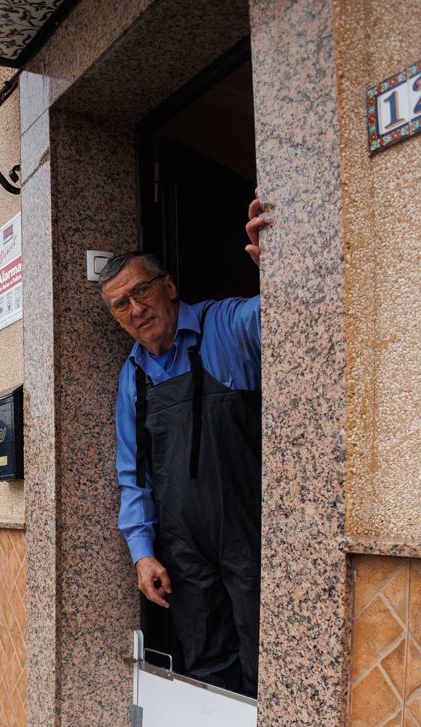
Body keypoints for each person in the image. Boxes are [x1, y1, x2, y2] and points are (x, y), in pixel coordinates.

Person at [108, 199, 272, 697]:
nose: (136, 309)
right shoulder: (132, 376)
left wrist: (282, 265)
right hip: (182, 552)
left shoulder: (226, 326)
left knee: (265, 655)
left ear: (169, 287)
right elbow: (133, 474)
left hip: (249, 533)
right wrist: (142, 553)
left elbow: (284, 320)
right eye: (121, 304)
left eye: (142, 290)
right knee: (206, 668)